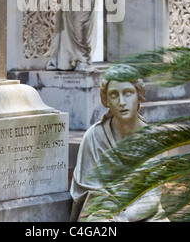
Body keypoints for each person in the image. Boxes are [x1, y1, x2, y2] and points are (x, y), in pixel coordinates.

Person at [70, 64, 169, 222]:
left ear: (139, 96)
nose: (122, 102)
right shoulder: (94, 137)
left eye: (128, 93)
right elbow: (88, 191)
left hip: (142, 212)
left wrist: (125, 217)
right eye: (114, 95)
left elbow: (152, 197)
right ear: (107, 100)